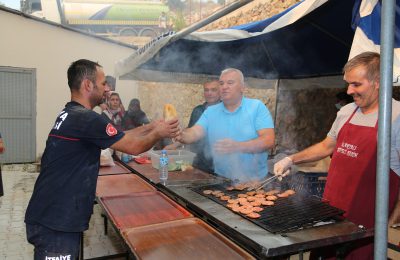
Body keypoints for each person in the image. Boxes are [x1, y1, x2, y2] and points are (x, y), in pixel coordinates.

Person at [24, 59, 179, 260]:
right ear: (88, 85)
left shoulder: (72, 113)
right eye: (104, 83)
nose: (107, 88)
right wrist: (159, 132)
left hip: (52, 214)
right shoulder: (86, 118)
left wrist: (151, 127)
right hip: (56, 220)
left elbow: (121, 135)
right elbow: (134, 146)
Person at [273, 52, 400, 259]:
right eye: (348, 84)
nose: (349, 91)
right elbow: (326, 146)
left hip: (366, 222)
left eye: (356, 84)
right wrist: (291, 159)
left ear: (378, 82)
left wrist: (392, 219)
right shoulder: (347, 111)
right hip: (330, 213)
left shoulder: (396, 116)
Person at [177, 68, 275, 181]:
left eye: (230, 83)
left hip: (255, 181)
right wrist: (181, 134)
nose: (224, 87)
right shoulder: (210, 111)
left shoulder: (256, 107)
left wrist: (237, 146)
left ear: (242, 87)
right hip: (222, 179)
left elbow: (269, 140)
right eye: (221, 83)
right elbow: (194, 132)